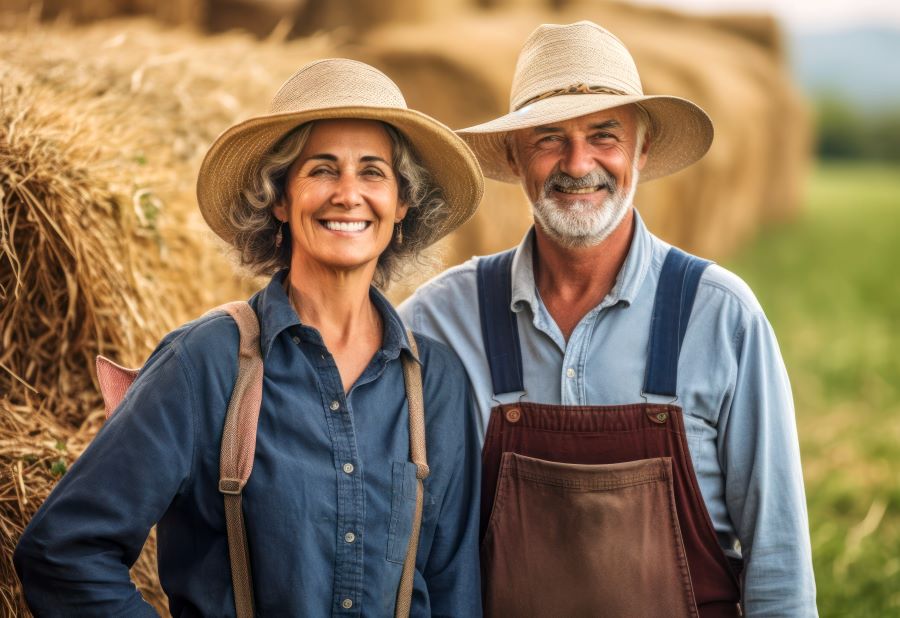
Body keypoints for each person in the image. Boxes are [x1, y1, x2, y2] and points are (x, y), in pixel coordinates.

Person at [15, 59, 484, 617]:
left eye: (373, 172)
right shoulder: (203, 365)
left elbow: (454, 589)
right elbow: (64, 549)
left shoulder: (436, 384)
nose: (348, 194)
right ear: (279, 199)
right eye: (322, 169)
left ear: (401, 204)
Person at [399, 21, 817, 617]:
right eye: (548, 137)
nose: (578, 162)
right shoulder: (441, 320)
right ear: (516, 157)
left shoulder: (721, 316)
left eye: (604, 135)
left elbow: (779, 562)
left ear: (641, 151)